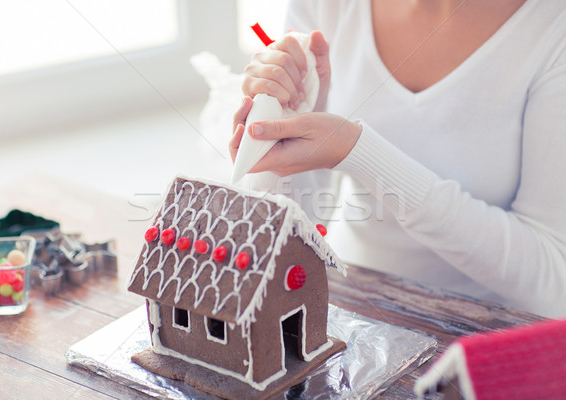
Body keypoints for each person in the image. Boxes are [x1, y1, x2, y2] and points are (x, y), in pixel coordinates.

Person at [229, 0, 566, 318]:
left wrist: (360, 152)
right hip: (354, 310)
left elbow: (553, 285)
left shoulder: (551, 28)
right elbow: (286, 241)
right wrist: (280, 135)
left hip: (486, 336)